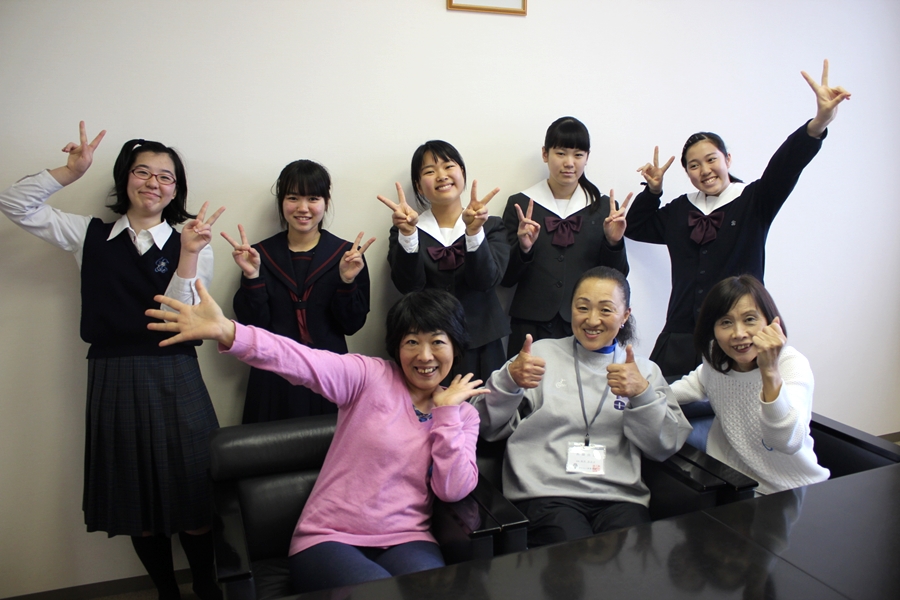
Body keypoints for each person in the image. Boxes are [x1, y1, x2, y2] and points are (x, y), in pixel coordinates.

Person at [0, 122, 225, 600]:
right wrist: (70, 171)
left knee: (193, 494)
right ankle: (167, 592)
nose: (153, 183)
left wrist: (188, 255)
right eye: (143, 172)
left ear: (176, 190)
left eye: (165, 177)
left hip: (175, 372)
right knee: (136, 500)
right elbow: (13, 202)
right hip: (113, 373)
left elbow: (178, 319)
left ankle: (207, 588)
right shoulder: (89, 234)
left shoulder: (194, 241)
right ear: (125, 178)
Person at [146, 285, 482, 594]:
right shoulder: (369, 377)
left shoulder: (463, 416)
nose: (425, 356)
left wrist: (446, 414)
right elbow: (298, 360)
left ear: (455, 346)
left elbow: (451, 489)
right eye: (412, 342)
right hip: (329, 538)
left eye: (437, 342)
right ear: (397, 346)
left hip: (408, 538)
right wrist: (229, 332)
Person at [626, 60, 851, 379]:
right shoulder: (680, 210)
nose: (705, 171)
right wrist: (653, 191)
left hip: (739, 336)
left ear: (727, 159)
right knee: (665, 402)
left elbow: (786, 165)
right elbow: (636, 227)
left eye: (711, 160)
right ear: (687, 173)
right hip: (681, 337)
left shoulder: (754, 200)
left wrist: (818, 123)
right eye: (694, 165)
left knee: (739, 405)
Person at [474, 266, 691, 547]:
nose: (592, 320)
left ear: (625, 315)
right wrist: (509, 380)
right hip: (547, 493)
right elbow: (484, 425)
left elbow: (666, 444)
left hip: (620, 497)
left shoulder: (643, 371)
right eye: (583, 307)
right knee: (573, 557)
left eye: (606, 310)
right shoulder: (540, 355)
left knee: (633, 563)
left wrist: (643, 394)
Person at [222, 159, 373, 423]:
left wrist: (347, 282)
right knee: (270, 446)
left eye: (313, 198)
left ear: (326, 202)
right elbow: (252, 326)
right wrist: (252, 276)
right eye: (293, 198)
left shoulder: (347, 256)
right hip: (273, 374)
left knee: (330, 446)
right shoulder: (259, 255)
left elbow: (352, 325)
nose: (303, 208)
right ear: (282, 202)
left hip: (329, 373)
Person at [670, 275, 829, 495]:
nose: (739, 334)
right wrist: (639, 392)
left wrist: (769, 370)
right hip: (733, 485)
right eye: (726, 322)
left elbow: (787, 442)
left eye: (750, 319)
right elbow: (688, 386)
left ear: (771, 322)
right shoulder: (716, 360)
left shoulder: (791, 364)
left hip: (792, 490)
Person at [502, 116, 631, 359]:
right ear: (545, 154)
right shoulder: (520, 204)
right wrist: (524, 249)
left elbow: (617, 278)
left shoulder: (603, 208)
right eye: (560, 153)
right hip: (531, 322)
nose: (569, 163)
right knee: (526, 381)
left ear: (587, 157)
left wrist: (614, 242)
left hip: (586, 323)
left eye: (578, 155)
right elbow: (506, 278)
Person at [379, 140, 508, 382]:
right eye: (429, 171)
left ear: (462, 173)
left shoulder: (492, 226)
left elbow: (486, 281)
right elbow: (408, 286)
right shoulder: (405, 228)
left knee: (485, 405)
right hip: (427, 349)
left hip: (481, 343)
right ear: (418, 185)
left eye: (449, 166)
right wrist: (408, 234)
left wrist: (474, 232)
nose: (441, 176)